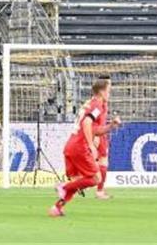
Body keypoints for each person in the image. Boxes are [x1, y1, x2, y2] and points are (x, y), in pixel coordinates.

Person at [49, 78, 121, 217]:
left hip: (71, 146)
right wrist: (90, 145)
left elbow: (95, 129)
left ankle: (57, 208)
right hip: (79, 147)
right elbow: (87, 123)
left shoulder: (91, 104)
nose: (109, 92)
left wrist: (111, 126)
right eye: (108, 89)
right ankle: (63, 186)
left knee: (78, 183)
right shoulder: (96, 105)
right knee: (95, 179)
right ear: (101, 91)